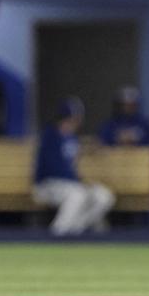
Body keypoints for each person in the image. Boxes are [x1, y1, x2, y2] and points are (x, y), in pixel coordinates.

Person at [32, 97, 115, 236]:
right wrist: (78, 182)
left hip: (69, 185)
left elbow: (71, 163)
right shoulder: (50, 136)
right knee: (77, 195)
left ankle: (76, 230)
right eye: (72, 118)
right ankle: (57, 233)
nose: (76, 122)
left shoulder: (72, 138)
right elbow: (53, 168)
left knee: (104, 196)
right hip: (47, 185)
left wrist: (88, 150)